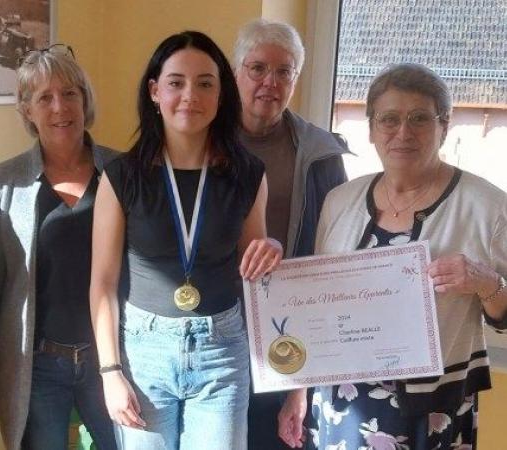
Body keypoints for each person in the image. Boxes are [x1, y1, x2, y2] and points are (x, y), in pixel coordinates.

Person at [278, 63, 507, 449]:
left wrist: (486, 282)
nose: (404, 132)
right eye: (389, 119)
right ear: (371, 129)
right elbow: (317, 307)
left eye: (420, 118)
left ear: (444, 126)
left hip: (435, 408)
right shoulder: (340, 201)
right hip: (343, 402)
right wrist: (298, 391)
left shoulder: (488, 206)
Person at [90, 30, 283, 450]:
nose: (189, 95)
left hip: (222, 351)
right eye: (176, 82)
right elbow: (103, 283)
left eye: (205, 83)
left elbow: (256, 264)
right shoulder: (121, 177)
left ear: (221, 94)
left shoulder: (248, 174)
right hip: (145, 354)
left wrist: (273, 251)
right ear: (156, 92)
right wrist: (110, 372)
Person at [0, 44, 117, 450]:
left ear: (85, 99)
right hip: (38, 366)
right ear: (27, 110)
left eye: (70, 93)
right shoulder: (4, 184)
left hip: (109, 362)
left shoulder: (123, 172)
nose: (60, 107)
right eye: (45, 97)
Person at [232, 18, 349, 449]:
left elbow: (331, 256)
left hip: (289, 329)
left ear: (296, 79)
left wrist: (306, 377)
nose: (270, 82)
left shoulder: (321, 155)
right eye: (258, 68)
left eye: (285, 72)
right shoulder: (201, 141)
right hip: (216, 326)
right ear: (236, 72)